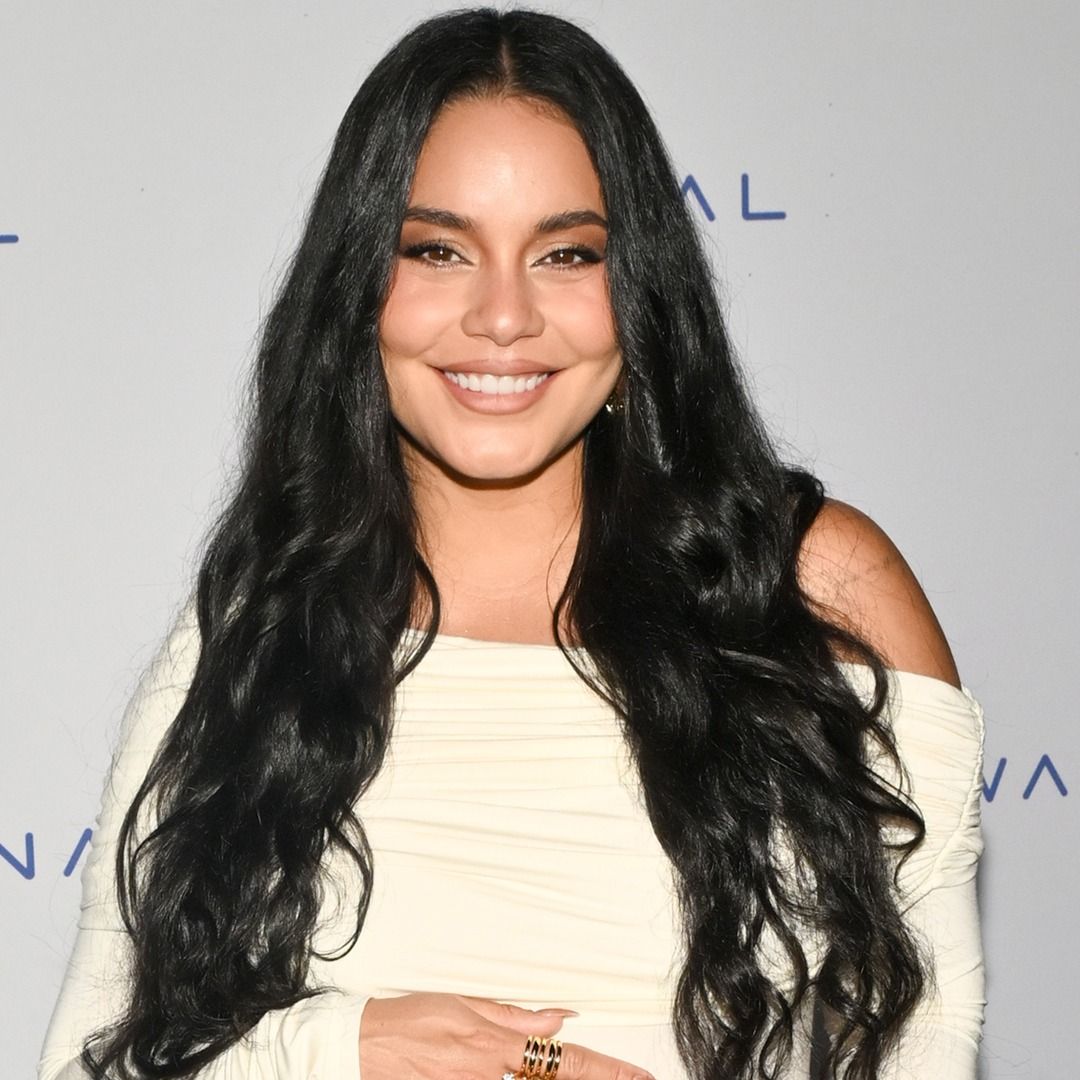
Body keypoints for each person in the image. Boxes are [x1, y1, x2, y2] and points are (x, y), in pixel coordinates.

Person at [38, 8, 985, 1080]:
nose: (502, 316)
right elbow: (82, 1064)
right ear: (359, 287)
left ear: (637, 290)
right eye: (438, 250)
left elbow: (928, 1043)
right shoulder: (262, 623)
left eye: (566, 254)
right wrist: (337, 1048)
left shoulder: (814, 590)